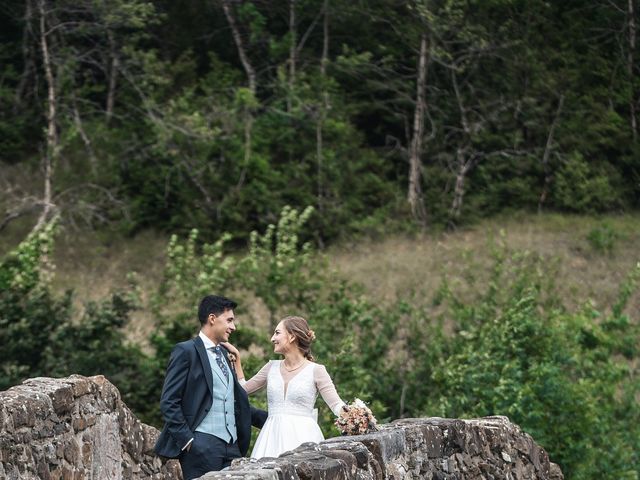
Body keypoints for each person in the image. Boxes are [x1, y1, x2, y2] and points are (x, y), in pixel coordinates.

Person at [154, 295, 267, 480]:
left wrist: (276, 419)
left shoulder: (225, 353)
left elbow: (233, 401)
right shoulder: (186, 351)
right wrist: (188, 441)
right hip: (200, 446)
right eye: (229, 320)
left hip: (232, 448)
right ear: (212, 318)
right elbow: (169, 401)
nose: (233, 327)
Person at [223, 315, 345, 459]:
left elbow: (336, 405)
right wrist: (237, 359)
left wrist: (355, 416)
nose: (272, 338)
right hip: (271, 436)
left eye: (277, 333)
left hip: (304, 437)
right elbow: (242, 391)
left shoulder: (316, 370)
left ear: (292, 336)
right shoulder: (271, 367)